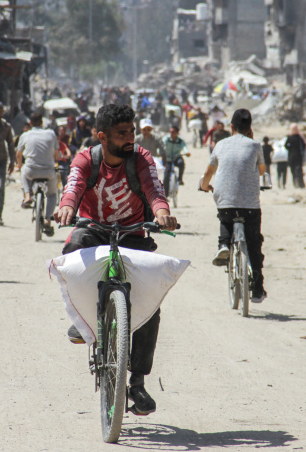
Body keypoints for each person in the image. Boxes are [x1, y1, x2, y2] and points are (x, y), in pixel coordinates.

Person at [54, 103, 177, 416]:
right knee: (73, 247)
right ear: (102, 137)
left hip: (134, 233)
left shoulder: (141, 158)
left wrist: (162, 212)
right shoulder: (86, 159)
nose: (130, 138)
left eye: (132, 131)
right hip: (93, 230)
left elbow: (153, 188)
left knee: (150, 306)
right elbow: (74, 186)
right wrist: (68, 206)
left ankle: (136, 381)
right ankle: (82, 320)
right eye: (122, 133)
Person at [199, 109, 268, 302]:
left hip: (226, 203)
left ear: (231, 127)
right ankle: (257, 289)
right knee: (254, 245)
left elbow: (208, 173)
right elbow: (262, 171)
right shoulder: (255, 145)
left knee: (225, 216)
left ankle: (223, 244)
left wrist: (204, 187)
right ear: (249, 128)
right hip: (250, 207)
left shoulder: (220, 145)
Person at [16, 112, 60, 236]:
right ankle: (47, 220)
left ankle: (28, 196)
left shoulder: (25, 135)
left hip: (31, 171)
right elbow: (56, 154)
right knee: (51, 194)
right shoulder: (51, 133)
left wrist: (20, 167)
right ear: (42, 122)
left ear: (30, 123)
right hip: (49, 171)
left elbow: (18, 155)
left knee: (23, 170)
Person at [161, 125, 191, 190]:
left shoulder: (180, 140)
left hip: (176, 157)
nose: (171, 134)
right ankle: (166, 194)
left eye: (173, 132)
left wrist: (187, 152)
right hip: (168, 158)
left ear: (177, 133)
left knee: (181, 163)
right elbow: (162, 145)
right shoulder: (166, 139)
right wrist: (159, 152)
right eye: (170, 132)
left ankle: (180, 179)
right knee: (166, 176)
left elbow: (184, 147)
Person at [284, 123, 306, 188]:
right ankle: (301, 185)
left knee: (293, 172)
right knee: (299, 172)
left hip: (291, 158)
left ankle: (295, 184)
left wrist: (290, 149)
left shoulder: (289, 137)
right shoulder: (299, 137)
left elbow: (285, 145)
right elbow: (304, 146)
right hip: (298, 157)